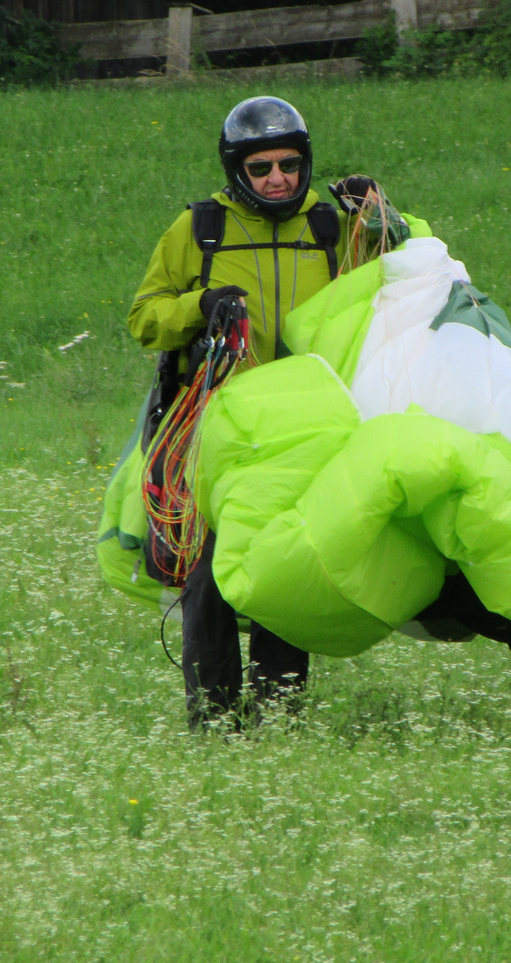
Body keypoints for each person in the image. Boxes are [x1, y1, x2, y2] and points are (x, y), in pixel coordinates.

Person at [127, 96, 386, 726]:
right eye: (262, 167)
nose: (277, 179)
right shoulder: (199, 231)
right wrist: (202, 303)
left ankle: (278, 716)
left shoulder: (328, 230)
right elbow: (144, 319)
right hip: (216, 430)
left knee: (287, 569)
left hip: (304, 431)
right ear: (237, 170)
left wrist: (378, 221)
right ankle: (213, 721)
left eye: (289, 166)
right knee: (211, 574)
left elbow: (385, 294)